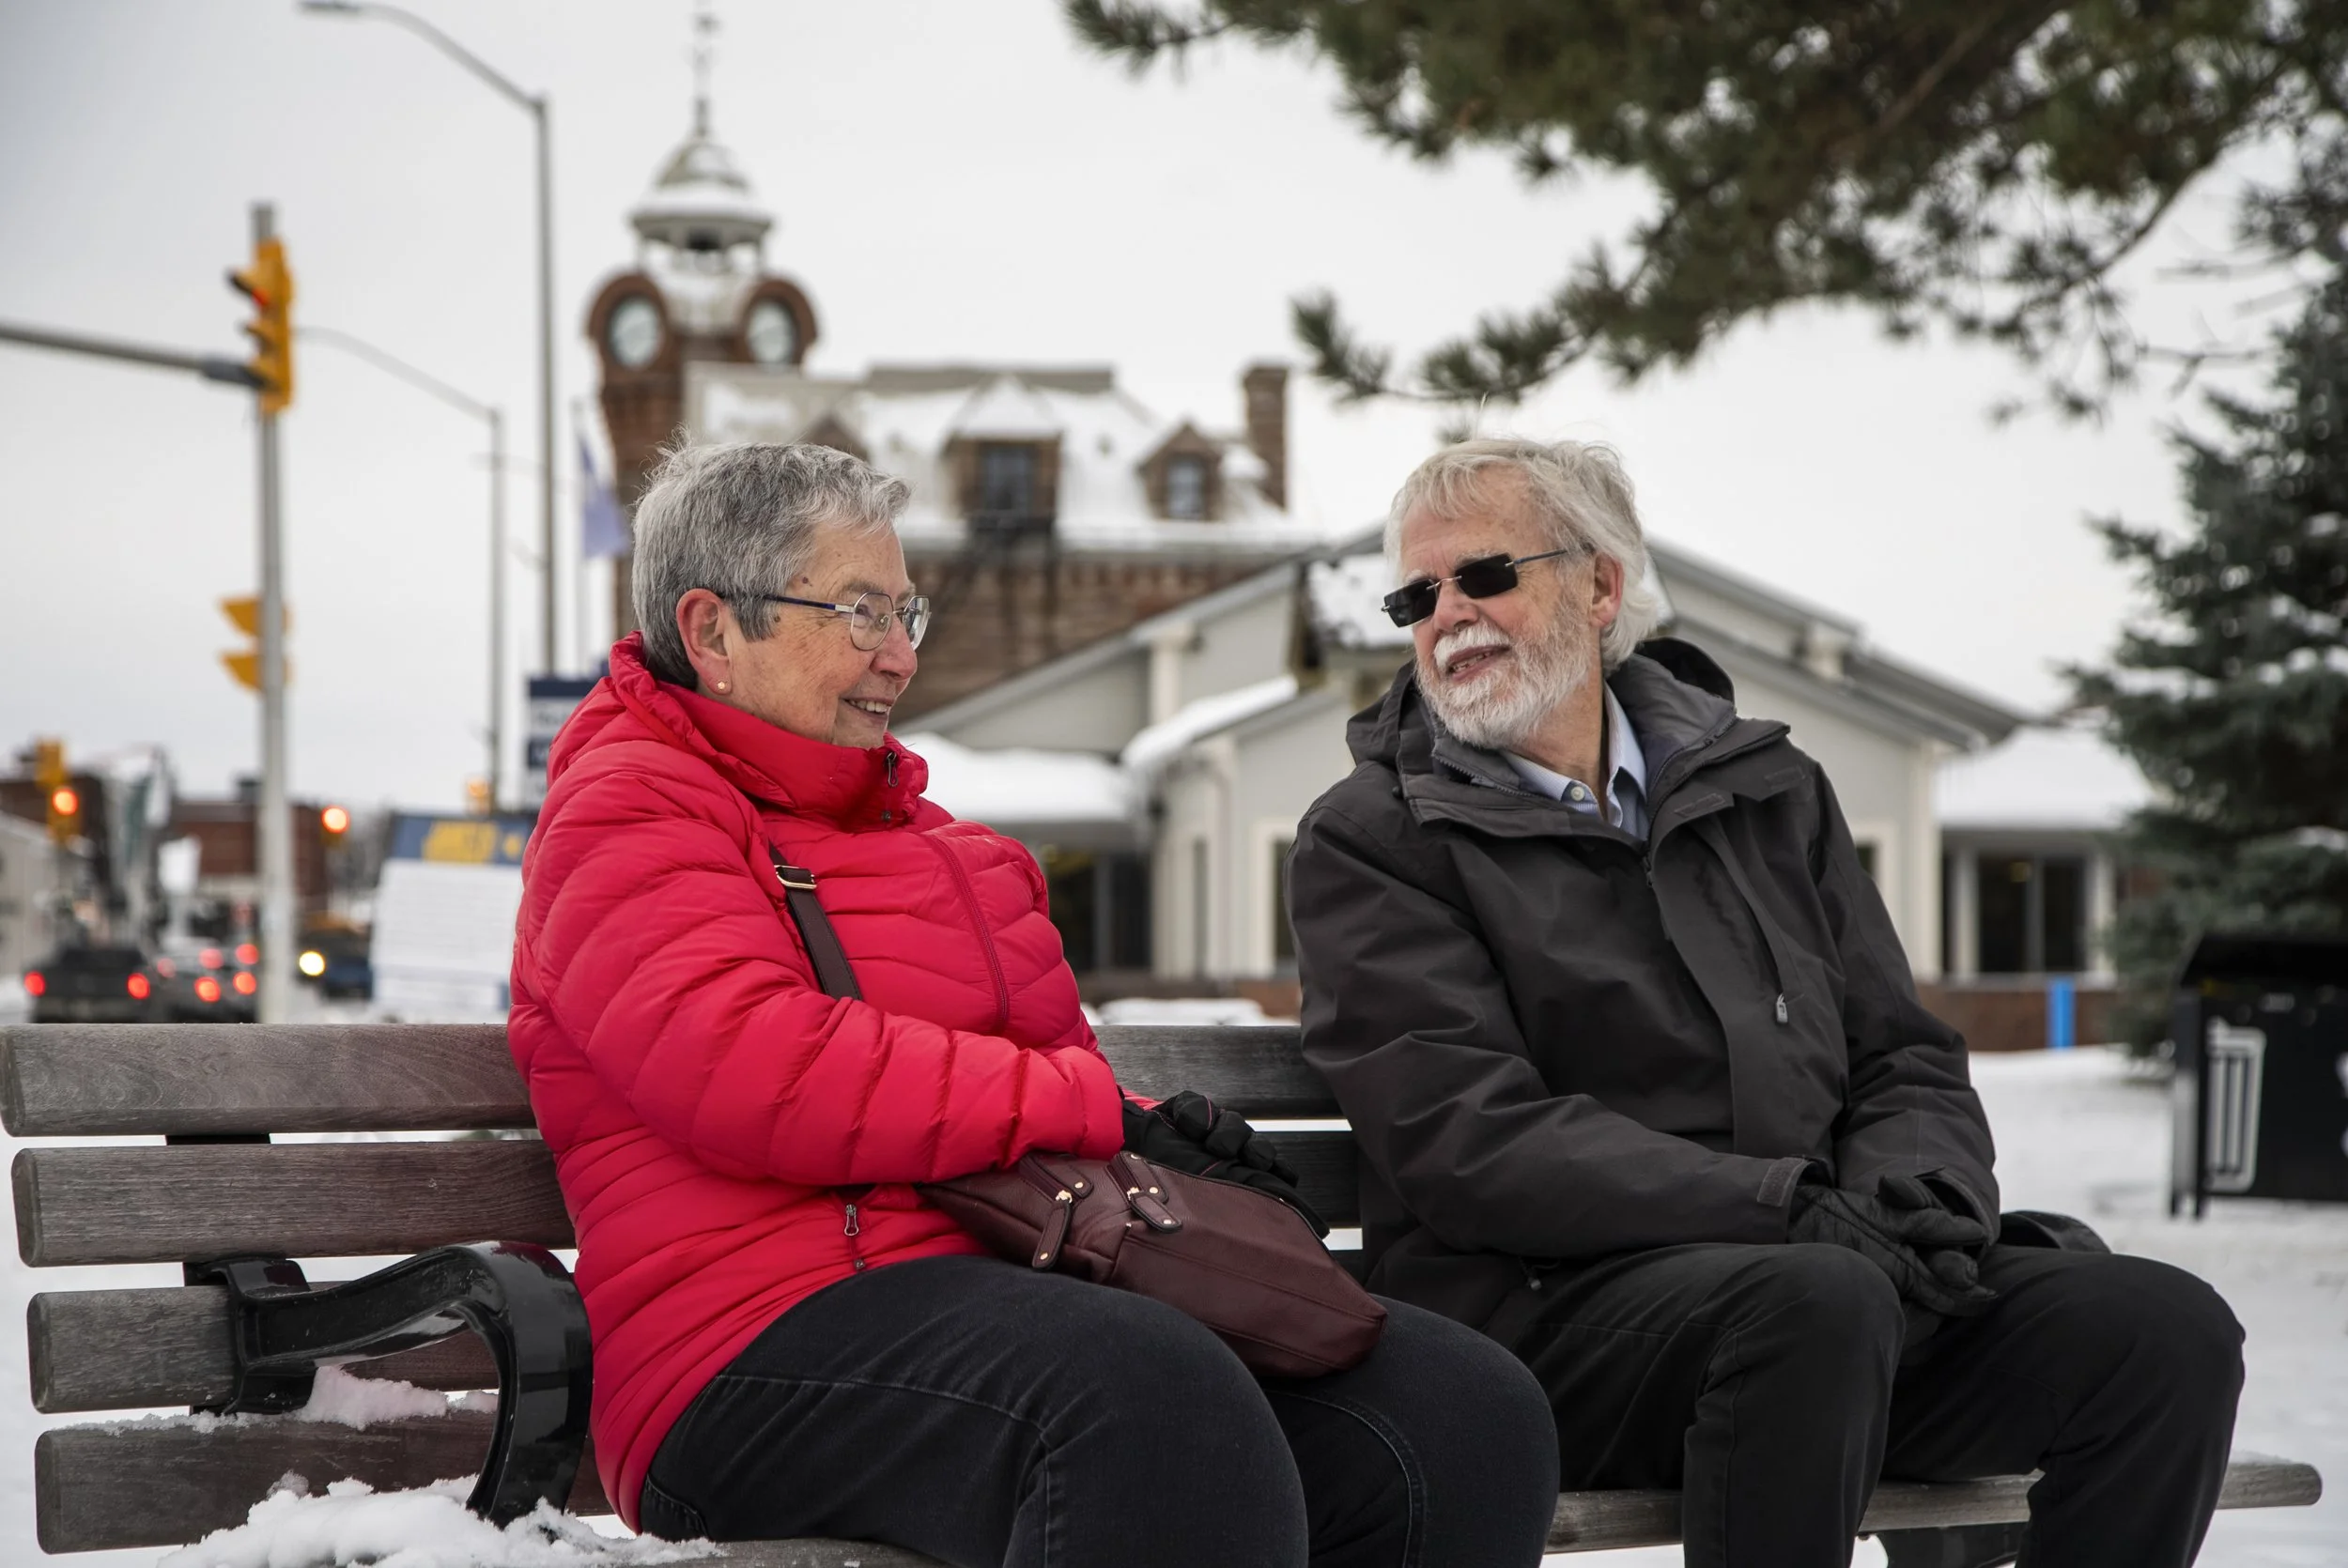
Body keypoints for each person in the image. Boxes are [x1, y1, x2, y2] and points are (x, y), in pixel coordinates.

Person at [509, 440, 1559, 1568]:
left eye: (905, 609)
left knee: (1460, 1411)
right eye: (860, 612)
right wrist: (1078, 1098)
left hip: (1019, 1292)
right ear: (713, 628)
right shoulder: (628, 810)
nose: (900, 656)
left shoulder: (957, 855)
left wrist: (1157, 1131)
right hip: (741, 1344)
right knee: (1142, 1396)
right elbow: (752, 1064)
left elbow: (1047, 1108)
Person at [1285, 437, 2247, 1568]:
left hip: (1828, 1281)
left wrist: (1915, 1197)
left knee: (2158, 1332)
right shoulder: (1376, 839)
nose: (1446, 615)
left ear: (1599, 586)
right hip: (1545, 1320)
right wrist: (1785, 1206)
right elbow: (1467, 1138)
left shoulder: (1765, 792)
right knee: (1813, 1303)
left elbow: (1901, 1053)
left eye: (1483, 574)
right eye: (1416, 593)